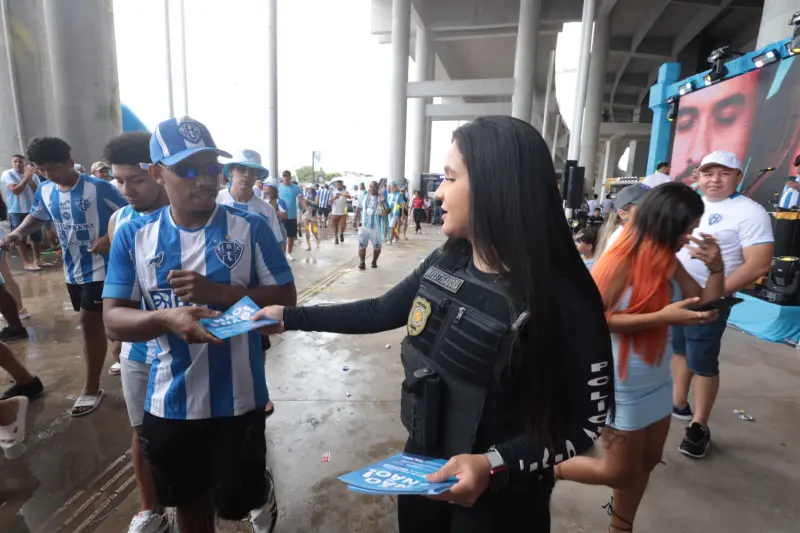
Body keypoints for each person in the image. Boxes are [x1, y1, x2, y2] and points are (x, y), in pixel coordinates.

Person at [252, 116, 614, 533]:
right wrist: (290, 317)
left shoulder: (563, 297)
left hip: (499, 502)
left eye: (450, 178)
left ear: (495, 185)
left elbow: (586, 421)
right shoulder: (448, 259)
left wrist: (494, 464)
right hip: (421, 470)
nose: (438, 192)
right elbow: (380, 311)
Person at [103, 116, 296, 533]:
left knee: (235, 504)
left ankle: (260, 490)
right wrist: (165, 319)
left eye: (211, 167)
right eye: (188, 170)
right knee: (189, 505)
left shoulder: (251, 228)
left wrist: (221, 293)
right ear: (159, 173)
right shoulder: (133, 236)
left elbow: (287, 299)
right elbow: (113, 319)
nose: (205, 180)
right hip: (169, 402)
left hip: (239, 401)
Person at [556, 182, 724, 533]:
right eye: (687, 229)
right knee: (617, 471)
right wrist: (661, 318)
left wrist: (716, 270)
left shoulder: (668, 260)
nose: (690, 237)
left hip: (658, 380)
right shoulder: (619, 260)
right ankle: (541, 471)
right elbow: (592, 321)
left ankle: (621, 527)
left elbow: (703, 307)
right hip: (620, 385)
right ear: (666, 223)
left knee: (647, 461)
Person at [2, 136, 128, 417]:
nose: (47, 175)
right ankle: (123, 349)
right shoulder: (46, 190)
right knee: (105, 325)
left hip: (104, 269)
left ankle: (91, 388)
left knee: (89, 324)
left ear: (70, 163)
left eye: (52, 168)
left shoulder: (100, 188)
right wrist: (18, 233)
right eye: (41, 169)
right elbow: (37, 216)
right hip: (73, 271)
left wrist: (110, 237)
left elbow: (131, 214)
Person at [671, 150, 773, 459]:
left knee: (702, 359)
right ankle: (678, 403)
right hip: (677, 292)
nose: (715, 179)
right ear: (698, 177)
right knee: (679, 349)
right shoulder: (689, 205)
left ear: (738, 177)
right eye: (708, 173)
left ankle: (699, 426)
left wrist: (712, 294)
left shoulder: (750, 212)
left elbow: (758, 264)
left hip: (712, 298)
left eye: (724, 173)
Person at [102, 131, 172, 533]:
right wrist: (117, 337)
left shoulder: (191, 214)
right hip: (140, 351)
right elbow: (119, 290)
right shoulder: (120, 221)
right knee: (141, 432)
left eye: (136, 180)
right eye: (119, 180)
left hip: (192, 350)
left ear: (159, 173)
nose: (127, 190)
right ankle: (151, 510)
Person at [217, 149, 284, 248]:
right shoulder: (216, 201)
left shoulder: (266, 210)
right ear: (231, 171)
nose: (247, 175)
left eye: (252, 171)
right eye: (241, 169)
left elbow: (276, 245)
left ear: (258, 175)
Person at [1, 155, 45, 270]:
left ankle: (37, 260)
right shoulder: (8, 174)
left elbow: (39, 191)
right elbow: (15, 191)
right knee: (19, 237)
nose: (17, 164)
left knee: (37, 236)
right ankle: (26, 263)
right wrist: (25, 178)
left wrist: (30, 179)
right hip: (17, 210)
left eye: (20, 162)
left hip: (33, 210)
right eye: (15, 161)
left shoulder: (33, 175)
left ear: (25, 164)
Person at [600, 184, 648, 255]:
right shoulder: (619, 240)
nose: (649, 210)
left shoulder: (638, 233)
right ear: (623, 214)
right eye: (642, 207)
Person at [354, 181, 383, 270]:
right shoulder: (363, 197)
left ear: (377, 188)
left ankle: (374, 261)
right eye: (370, 186)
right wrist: (355, 220)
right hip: (364, 226)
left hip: (376, 227)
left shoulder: (381, 198)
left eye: (374, 186)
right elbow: (358, 208)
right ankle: (362, 262)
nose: (372, 188)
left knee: (377, 246)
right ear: (368, 187)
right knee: (361, 244)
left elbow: (388, 209)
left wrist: (384, 207)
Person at [278, 170, 302, 260]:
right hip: (282, 215)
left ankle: (289, 253)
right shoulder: (278, 187)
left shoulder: (296, 188)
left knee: (291, 235)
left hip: (292, 215)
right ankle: (282, 254)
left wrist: (307, 208)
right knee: (282, 235)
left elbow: (301, 199)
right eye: (284, 176)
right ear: (282, 177)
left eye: (287, 176)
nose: (286, 178)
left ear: (290, 177)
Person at [265, 184, 288, 252]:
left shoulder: (279, 201)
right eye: (266, 189)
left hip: (278, 228)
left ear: (274, 191)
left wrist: (272, 211)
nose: (267, 191)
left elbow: (285, 215)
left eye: (269, 190)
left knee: (280, 252)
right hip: (266, 229)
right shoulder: (262, 201)